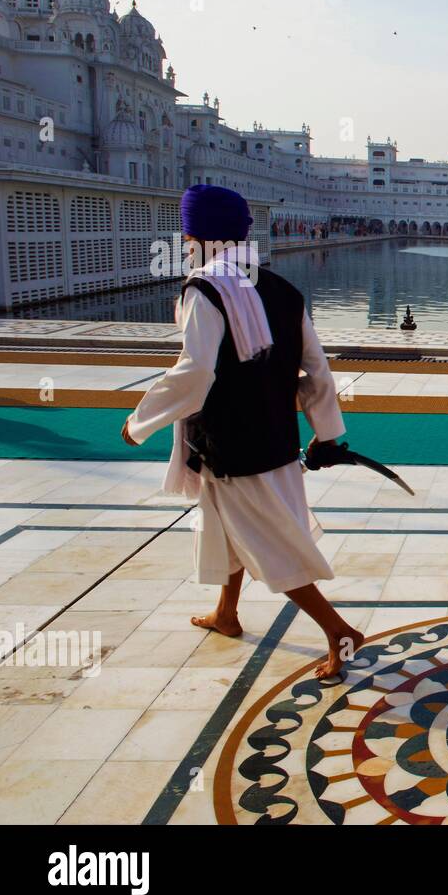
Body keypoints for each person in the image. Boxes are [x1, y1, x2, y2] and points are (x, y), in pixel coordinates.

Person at [122, 185, 363, 679]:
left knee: (269, 544)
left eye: (187, 233)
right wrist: (323, 431)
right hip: (272, 436)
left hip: (233, 442)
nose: (185, 241)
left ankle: (340, 631)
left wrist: (140, 422)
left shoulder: (203, 290)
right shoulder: (281, 289)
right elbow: (316, 368)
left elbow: (194, 373)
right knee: (223, 524)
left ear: (196, 236)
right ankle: (226, 613)